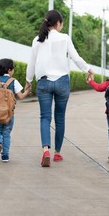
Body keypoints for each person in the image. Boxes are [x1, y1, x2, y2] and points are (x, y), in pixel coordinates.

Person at [25, 10, 93, 167]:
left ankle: (45, 151)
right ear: (58, 24)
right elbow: (76, 57)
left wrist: (28, 81)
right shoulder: (64, 38)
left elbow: (31, 63)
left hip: (44, 82)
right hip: (62, 82)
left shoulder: (37, 40)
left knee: (45, 117)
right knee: (60, 117)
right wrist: (87, 69)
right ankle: (57, 153)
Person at [0, 58, 30, 162]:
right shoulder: (13, 81)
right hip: (8, 114)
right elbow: (20, 96)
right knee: (6, 133)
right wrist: (27, 91)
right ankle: (5, 156)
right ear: (9, 70)